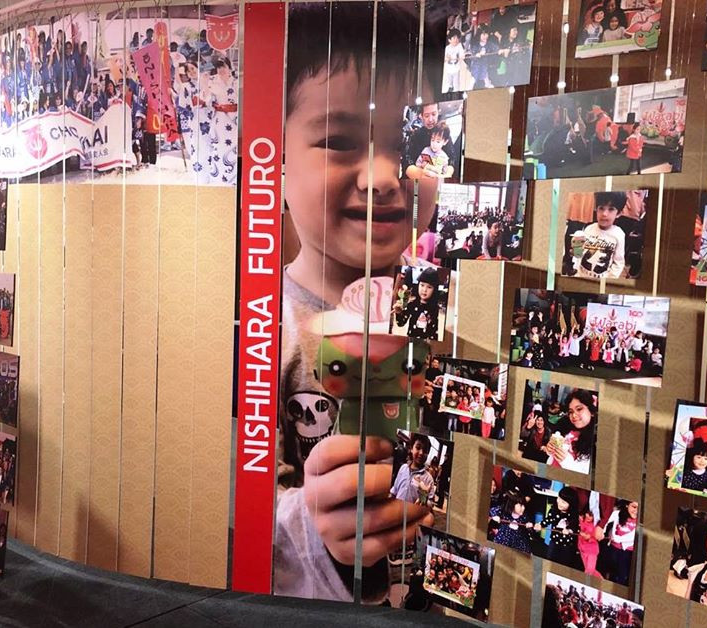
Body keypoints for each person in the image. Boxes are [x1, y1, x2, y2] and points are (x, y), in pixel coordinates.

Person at [274, 3, 443, 603]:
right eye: (340, 141)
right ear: (275, 158)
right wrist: (313, 521)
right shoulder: (260, 331)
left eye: (413, 143)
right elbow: (232, 514)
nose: (383, 176)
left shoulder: (459, 317)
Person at [573, 191, 626, 279]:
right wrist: (576, 249)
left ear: (619, 213)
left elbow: (618, 262)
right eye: (601, 208)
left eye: (611, 209)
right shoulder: (588, 228)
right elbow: (579, 254)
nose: (604, 214)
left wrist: (610, 278)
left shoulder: (618, 234)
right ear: (596, 209)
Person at [393, 267, 441, 340]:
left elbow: (434, 331)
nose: (424, 290)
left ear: (434, 290)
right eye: (422, 285)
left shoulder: (434, 308)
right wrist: (399, 312)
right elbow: (401, 323)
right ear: (418, 285)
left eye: (429, 287)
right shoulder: (412, 304)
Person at [536, 486, 579, 566]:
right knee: (549, 561)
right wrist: (540, 525)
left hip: (567, 545)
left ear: (571, 504)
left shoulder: (574, 515)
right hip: (554, 541)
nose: (559, 502)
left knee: (564, 564)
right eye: (558, 498)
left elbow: (576, 527)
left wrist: (569, 530)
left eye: (563, 502)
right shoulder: (553, 510)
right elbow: (548, 520)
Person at [390, 433, 436, 507]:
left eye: (425, 451)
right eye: (418, 448)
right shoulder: (403, 468)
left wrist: (423, 496)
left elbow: (431, 504)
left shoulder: (428, 479)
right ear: (411, 448)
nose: (421, 453)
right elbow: (394, 490)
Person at [605, 500, 637, 585]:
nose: (636, 511)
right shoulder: (617, 513)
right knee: (611, 573)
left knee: (622, 576)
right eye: (634, 507)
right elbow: (606, 522)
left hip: (628, 551)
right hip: (614, 548)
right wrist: (604, 532)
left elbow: (633, 536)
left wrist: (617, 538)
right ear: (627, 505)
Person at [577, 507, 603, 578]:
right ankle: (602, 582)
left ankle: (588, 582)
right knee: (590, 570)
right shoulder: (581, 520)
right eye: (588, 514)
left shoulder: (596, 525)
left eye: (591, 515)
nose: (588, 516)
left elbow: (597, 537)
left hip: (592, 550)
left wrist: (590, 537)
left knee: (589, 571)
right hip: (582, 549)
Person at [443, 29, 465, 93]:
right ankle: (450, 87)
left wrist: (462, 57)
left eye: (457, 38)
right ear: (449, 40)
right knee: (449, 81)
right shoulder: (447, 48)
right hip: (448, 68)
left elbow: (462, 54)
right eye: (454, 38)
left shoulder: (459, 46)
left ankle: (456, 91)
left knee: (456, 82)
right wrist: (446, 58)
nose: (456, 40)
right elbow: (444, 57)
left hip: (456, 68)